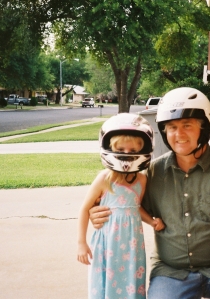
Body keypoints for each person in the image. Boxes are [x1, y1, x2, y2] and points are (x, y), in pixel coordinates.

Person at [89, 87, 210, 299]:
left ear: (204, 127)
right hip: (171, 270)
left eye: (187, 125)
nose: (178, 134)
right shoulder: (153, 173)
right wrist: (98, 212)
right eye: (171, 127)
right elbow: (126, 202)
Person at [77, 113, 165, 299]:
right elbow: (85, 209)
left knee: (130, 281)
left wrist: (152, 221)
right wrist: (81, 243)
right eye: (121, 149)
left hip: (131, 243)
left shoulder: (141, 180)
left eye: (133, 150)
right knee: (106, 281)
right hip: (108, 243)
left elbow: (135, 207)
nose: (127, 154)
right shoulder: (104, 179)